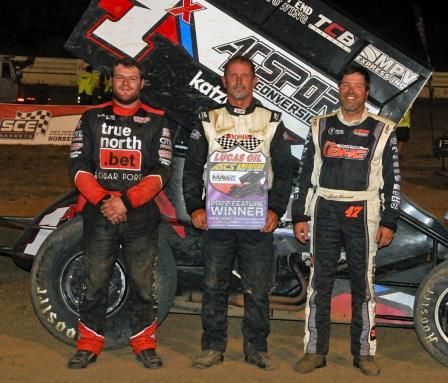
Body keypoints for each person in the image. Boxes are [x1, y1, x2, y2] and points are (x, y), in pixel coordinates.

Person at [182, 55, 292, 370]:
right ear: (224, 81)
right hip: (217, 220)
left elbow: (285, 171)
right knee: (214, 285)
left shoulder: (271, 120)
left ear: (254, 81)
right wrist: (194, 207)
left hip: (256, 221)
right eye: (233, 76)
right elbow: (191, 169)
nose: (239, 81)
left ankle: (256, 347)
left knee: (257, 288)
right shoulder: (207, 119)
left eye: (245, 76)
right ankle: (212, 347)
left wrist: (275, 209)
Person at [292, 65, 400, 376]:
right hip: (325, 207)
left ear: (367, 93)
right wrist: (300, 214)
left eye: (357, 86)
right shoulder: (319, 125)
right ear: (339, 89)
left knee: (362, 285)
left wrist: (388, 221)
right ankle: (314, 351)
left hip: (363, 211)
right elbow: (305, 175)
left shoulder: (384, 130)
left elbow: (393, 181)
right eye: (345, 85)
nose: (350, 91)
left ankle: (364, 353)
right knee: (319, 283)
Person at [68, 58, 172, 369]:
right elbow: (77, 166)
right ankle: (88, 344)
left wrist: (125, 202)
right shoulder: (91, 118)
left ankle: (143, 343)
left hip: (139, 214)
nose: (126, 83)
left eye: (132, 78)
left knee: (142, 282)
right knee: (95, 280)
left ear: (142, 83)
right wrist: (104, 200)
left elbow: (162, 170)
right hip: (100, 212)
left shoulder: (157, 120)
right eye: (120, 77)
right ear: (111, 81)